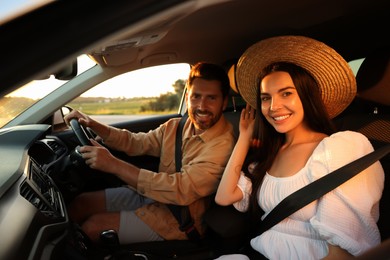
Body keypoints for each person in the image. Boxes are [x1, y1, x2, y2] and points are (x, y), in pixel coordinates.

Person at [215, 36, 385, 259]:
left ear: (306, 95)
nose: (274, 107)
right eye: (266, 98)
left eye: (286, 93)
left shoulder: (340, 149)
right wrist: (244, 138)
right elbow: (224, 197)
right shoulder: (270, 154)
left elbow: (341, 255)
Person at [64, 62, 235, 244]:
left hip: (179, 221)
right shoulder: (176, 126)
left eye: (211, 98)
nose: (201, 106)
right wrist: (94, 125)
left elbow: (179, 190)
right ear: (187, 98)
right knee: (81, 203)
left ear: (224, 102)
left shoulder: (223, 145)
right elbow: (137, 142)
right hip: (152, 196)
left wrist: (113, 164)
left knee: (92, 227)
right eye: (196, 97)